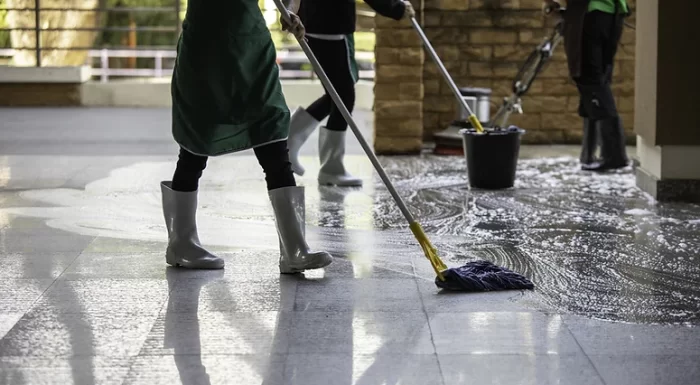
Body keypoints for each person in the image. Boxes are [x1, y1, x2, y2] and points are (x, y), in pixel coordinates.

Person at [160, 0, 332, 274]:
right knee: (196, 143)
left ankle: (294, 250)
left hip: (251, 48)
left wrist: (289, 12)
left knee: (272, 135)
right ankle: (182, 243)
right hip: (208, 50)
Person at [284, 0, 416, 186]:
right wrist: (397, 9)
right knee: (343, 97)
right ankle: (331, 168)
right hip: (332, 26)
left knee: (335, 96)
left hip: (314, 23)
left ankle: (290, 143)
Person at [545, 0, 630, 171]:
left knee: (590, 81)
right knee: (598, 81)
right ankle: (589, 153)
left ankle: (614, 155)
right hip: (614, 15)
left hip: (588, 15)